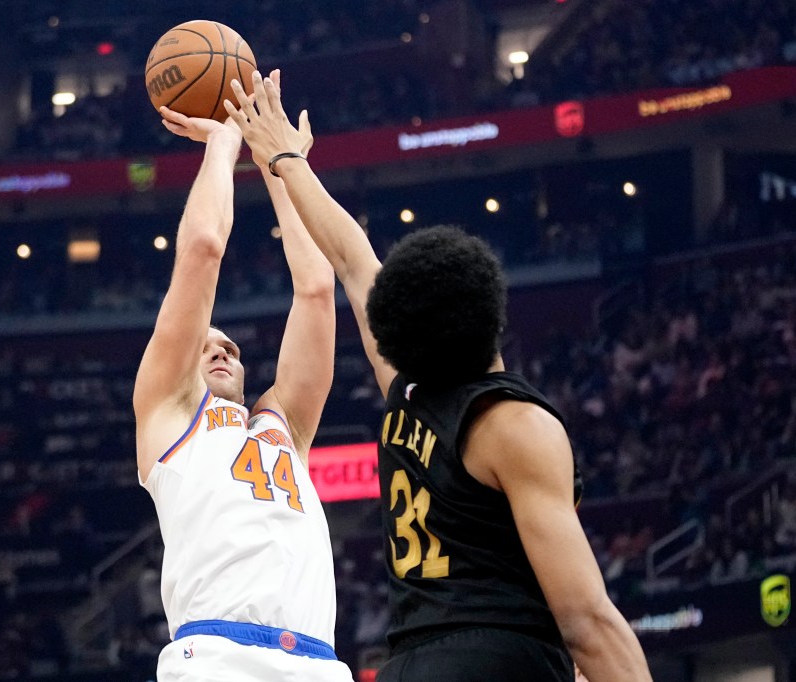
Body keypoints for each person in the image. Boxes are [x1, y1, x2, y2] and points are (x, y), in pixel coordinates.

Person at [226, 70, 652, 682]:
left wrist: (286, 160)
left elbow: (352, 259)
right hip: (500, 657)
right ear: (493, 310)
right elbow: (587, 621)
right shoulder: (514, 425)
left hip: (407, 664)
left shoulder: (405, 397)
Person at [133, 92, 353, 682]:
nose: (222, 346)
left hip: (319, 664)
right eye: (206, 344)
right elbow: (204, 249)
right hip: (217, 658)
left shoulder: (284, 427)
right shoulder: (167, 414)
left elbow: (315, 289)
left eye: (229, 343)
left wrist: (280, 164)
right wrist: (224, 145)